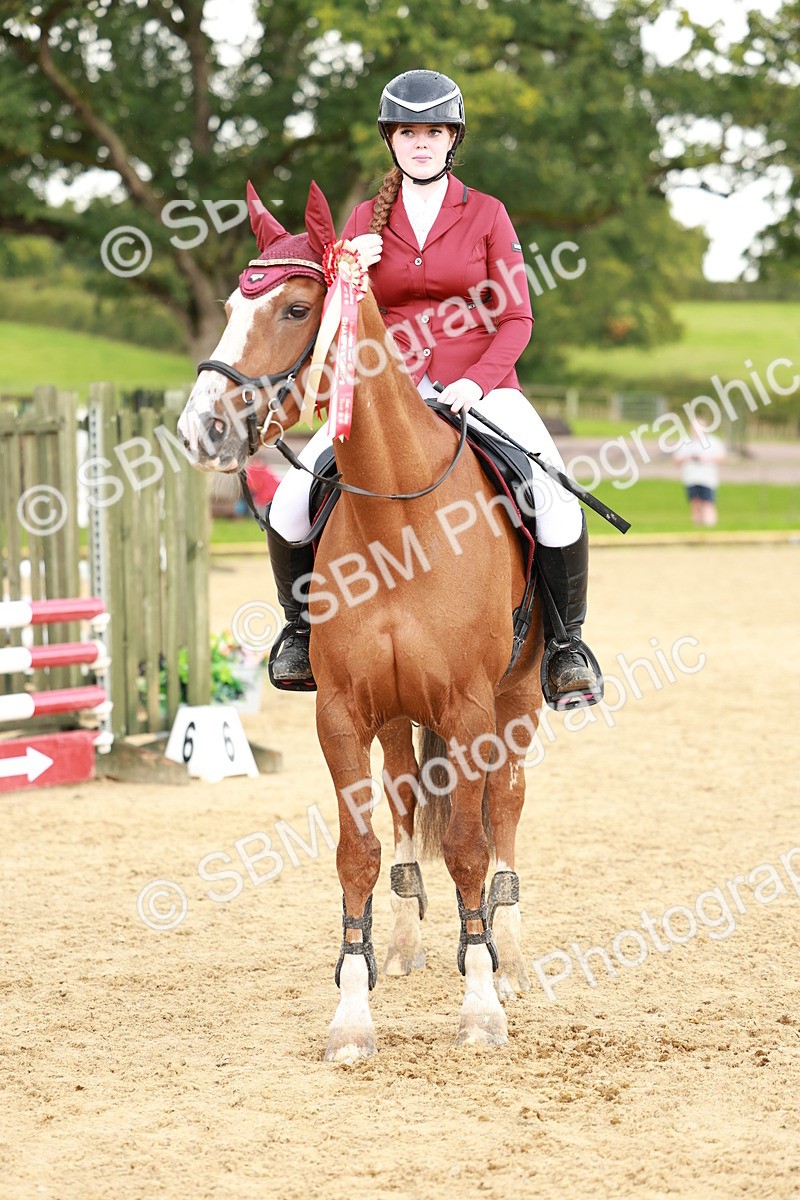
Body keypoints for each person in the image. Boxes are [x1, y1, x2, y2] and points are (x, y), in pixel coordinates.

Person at [266, 69, 602, 708]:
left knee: (556, 494)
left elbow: (518, 317)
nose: (422, 142)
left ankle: (566, 646)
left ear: (453, 139)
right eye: (408, 132)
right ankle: (299, 630)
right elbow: (343, 319)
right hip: (387, 391)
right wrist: (351, 276)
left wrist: (476, 384)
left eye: (435, 132)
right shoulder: (365, 219)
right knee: (289, 499)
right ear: (390, 140)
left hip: (485, 385)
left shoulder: (487, 214)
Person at [674, 421, 726, 526]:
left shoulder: (713, 442)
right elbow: (676, 460)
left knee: (708, 503)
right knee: (695, 503)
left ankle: (710, 526)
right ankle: (697, 526)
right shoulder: (685, 442)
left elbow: (721, 458)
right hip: (691, 478)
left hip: (707, 478)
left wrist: (706, 459)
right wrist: (687, 458)